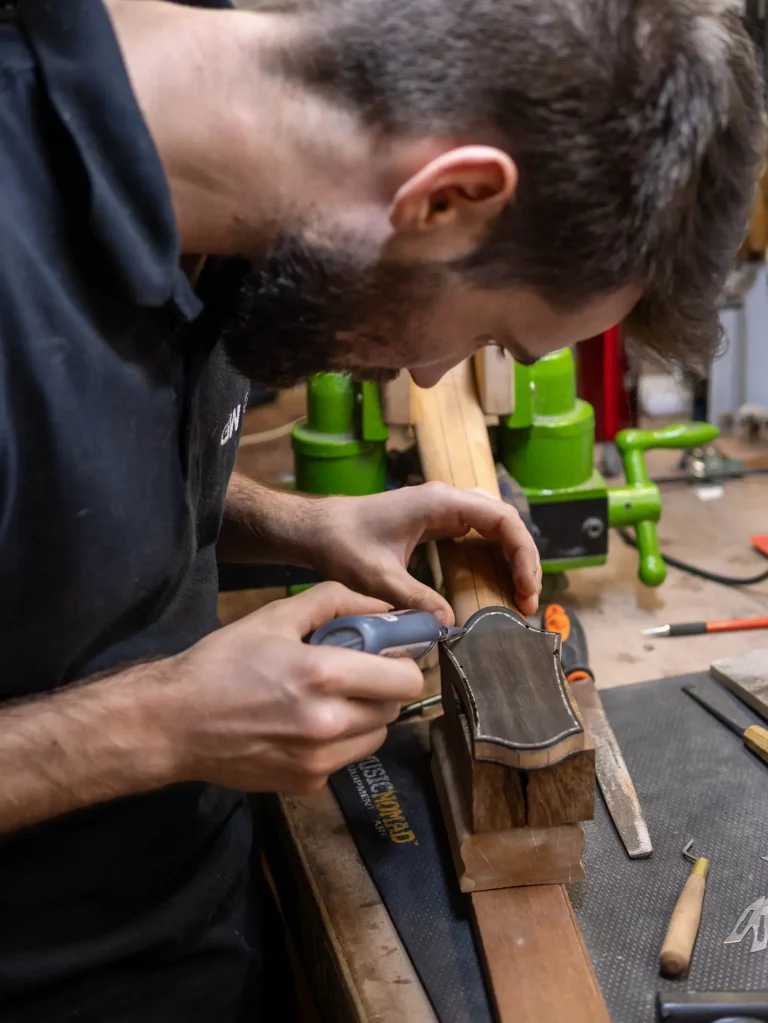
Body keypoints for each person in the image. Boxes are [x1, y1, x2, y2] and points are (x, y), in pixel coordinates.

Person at [0, 0, 762, 1019]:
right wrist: (159, 724)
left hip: (200, 929)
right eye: (491, 333)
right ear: (448, 198)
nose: (435, 372)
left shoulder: (236, 210)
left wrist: (293, 523)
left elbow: (66, 484)